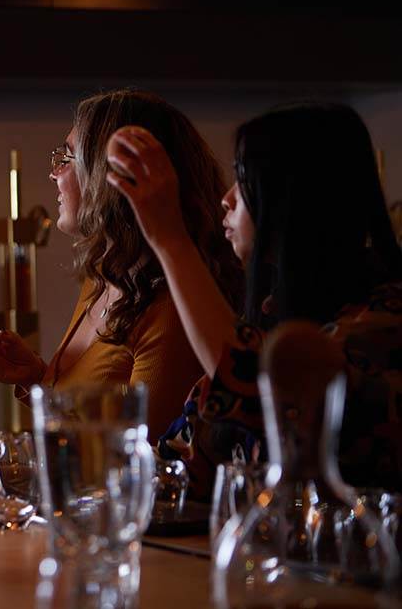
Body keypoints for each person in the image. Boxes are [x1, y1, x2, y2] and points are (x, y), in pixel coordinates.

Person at [106, 102, 402, 496]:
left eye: (245, 181)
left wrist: (171, 239)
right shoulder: (272, 313)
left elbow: (260, 387)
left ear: (300, 197)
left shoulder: (383, 318)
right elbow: (179, 463)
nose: (227, 199)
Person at [0, 89, 243, 435]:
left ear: (110, 177)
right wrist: (34, 378)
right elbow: (87, 425)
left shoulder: (169, 309)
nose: (54, 173)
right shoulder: (103, 279)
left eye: (67, 158)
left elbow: (139, 455)